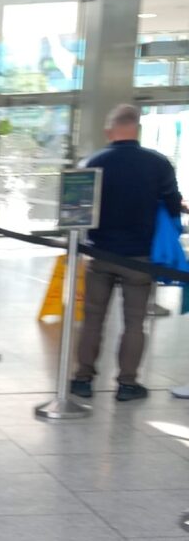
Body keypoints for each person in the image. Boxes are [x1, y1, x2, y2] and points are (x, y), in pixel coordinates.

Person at [70, 104, 183, 402]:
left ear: (109, 131)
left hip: (100, 253)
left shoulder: (91, 162)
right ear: (138, 130)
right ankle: (127, 384)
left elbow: (78, 210)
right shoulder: (158, 163)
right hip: (140, 258)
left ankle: (82, 379)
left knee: (93, 318)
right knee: (134, 322)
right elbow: (173, 206)